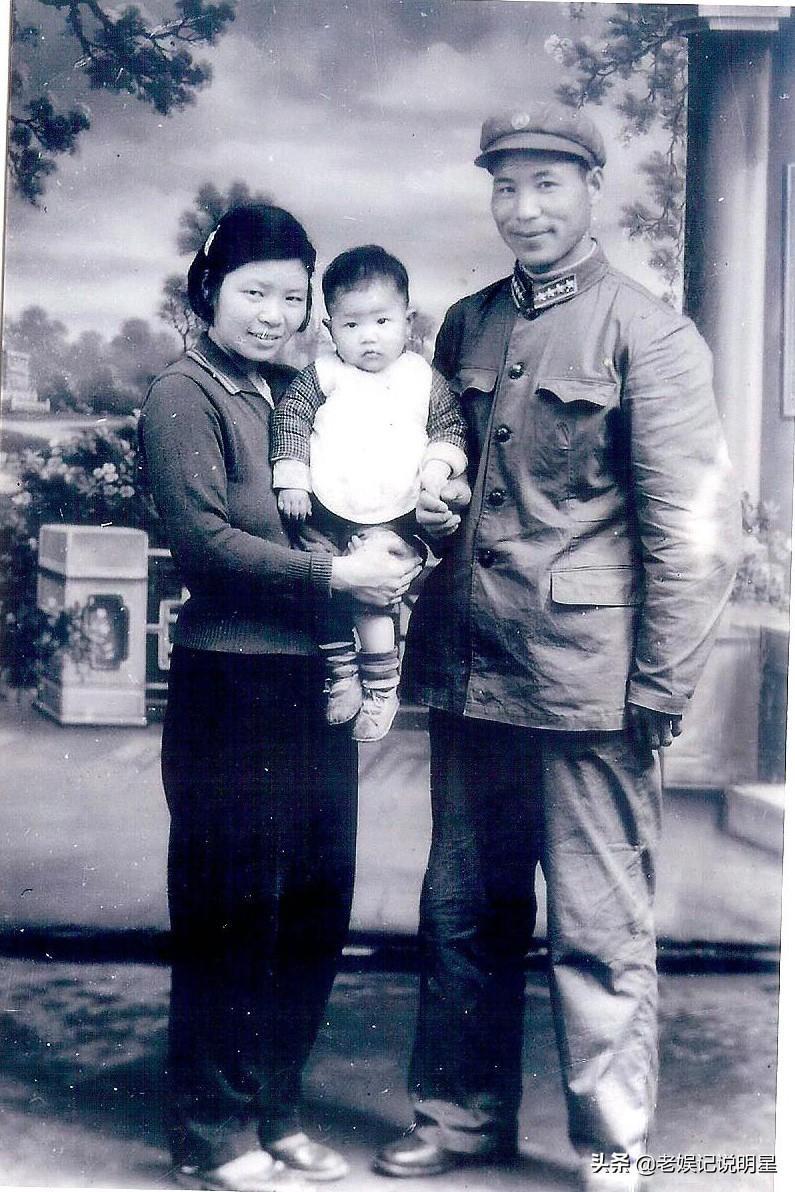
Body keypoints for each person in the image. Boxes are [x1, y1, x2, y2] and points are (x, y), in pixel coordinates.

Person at [373, 103, 741, 1192]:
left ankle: (613, 1142)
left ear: (591, 191)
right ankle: (458, 1119)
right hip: (472, 670)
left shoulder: (649, 333)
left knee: (597, 924)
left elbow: (695, 532)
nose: (523, 209)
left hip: (592, 682)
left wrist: (662, 680)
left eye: (546, 184)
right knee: (461, 912)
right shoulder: (467, 324)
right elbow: (445, 478)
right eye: (505, 186)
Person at [139, 205, 422, 1192]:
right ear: (208, 290)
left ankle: (275, 1111)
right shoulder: (184, 395)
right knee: (230, 910)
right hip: (231, 685)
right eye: (254, 291)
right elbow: (206, 546)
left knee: (311, 905)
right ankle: (212, 1133)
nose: (275, 313)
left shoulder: (290, 394)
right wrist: (339, 576)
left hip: (312, 682)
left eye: (293, 296)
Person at [270, 245, 468, 743]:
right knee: (321, 579)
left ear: (408, 321)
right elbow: (291, 419)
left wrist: (437, 469)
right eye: (352, 325)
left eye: (382, 321)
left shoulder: (421, 377)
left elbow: (450, 426)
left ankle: (382, 686)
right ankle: (341, 672)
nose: (369, 336)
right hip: (328, 508)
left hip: (394, 512)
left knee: (374, 594)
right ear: (330, 328)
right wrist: (293, 477)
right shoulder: (322, 375)